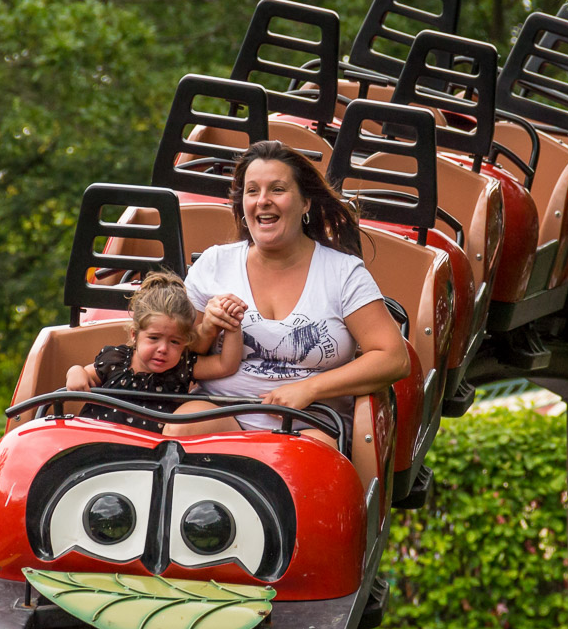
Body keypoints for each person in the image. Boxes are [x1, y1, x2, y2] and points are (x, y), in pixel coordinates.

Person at [162, 140, 411, 447]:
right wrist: (206, 327)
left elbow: (394, 358)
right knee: (180, 430)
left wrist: (310, 388)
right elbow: (170, 345)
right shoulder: (215, 263)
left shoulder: (343, 273)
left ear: (305, 202)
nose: (263, 200)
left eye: (277, 190)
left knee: (306, 456)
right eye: (252, 191)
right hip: (223, 411)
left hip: (309, 422)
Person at [66, 271, 244, 432]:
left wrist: (233, 326)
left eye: (175, 342)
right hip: (102, 448)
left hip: (150, 459)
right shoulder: (115, 360)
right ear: (135, 334)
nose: (163, 349)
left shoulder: (182, 367)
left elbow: (225, 365)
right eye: (154, 338)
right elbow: (84, 375)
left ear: (185, 343)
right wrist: (75, 371)